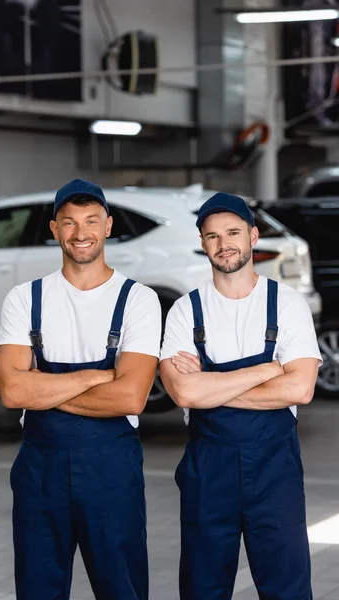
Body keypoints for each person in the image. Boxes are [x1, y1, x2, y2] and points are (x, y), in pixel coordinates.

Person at [0, 178, 161, 600]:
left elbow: (131, 398)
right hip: (40, 469)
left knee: (121, 589)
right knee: (37, 589)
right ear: (55, 230)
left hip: (111, 469)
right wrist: (97, 376)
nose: (80, 232)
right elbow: (14, 393)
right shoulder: (24, 298)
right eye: (69, 223)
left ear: (108, 226)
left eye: (91, 221)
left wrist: (44, 387)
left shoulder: (138, 299)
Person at [160, 192, 321, 600]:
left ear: (252, 235)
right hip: (207, 471)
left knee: (287, 587)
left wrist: (210, 385)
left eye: (233, 232)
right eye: (212, 236)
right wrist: (267, 371)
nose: (223, 243)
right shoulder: (184, 311)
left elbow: (300, 387)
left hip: (274, 471)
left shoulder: (286, 304)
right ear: (202, 243)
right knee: (202, 588)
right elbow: (182, 391)